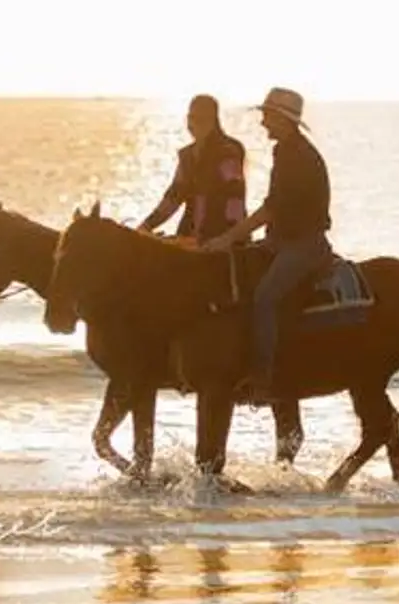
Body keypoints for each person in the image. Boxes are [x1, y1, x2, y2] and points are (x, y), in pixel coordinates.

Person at [204, 87, 333, 403]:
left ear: (282, 119)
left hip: (304, 245)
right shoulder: (286, 151)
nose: (263, 123)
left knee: (265, 298)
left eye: (267, 116)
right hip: (280, 241)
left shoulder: (298, 157)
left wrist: (228, 238)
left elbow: (272, 208)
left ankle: (263, 378)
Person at [136, 94, 247, 245]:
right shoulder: (188, 156)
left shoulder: (228, 153)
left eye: (200, 118)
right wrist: (146, 226)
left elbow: (235, 197)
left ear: (213, 120)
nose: (193, 124)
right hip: (189, 235)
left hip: (218, 239)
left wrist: (230, 237)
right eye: (191, 117)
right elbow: (174, 196)